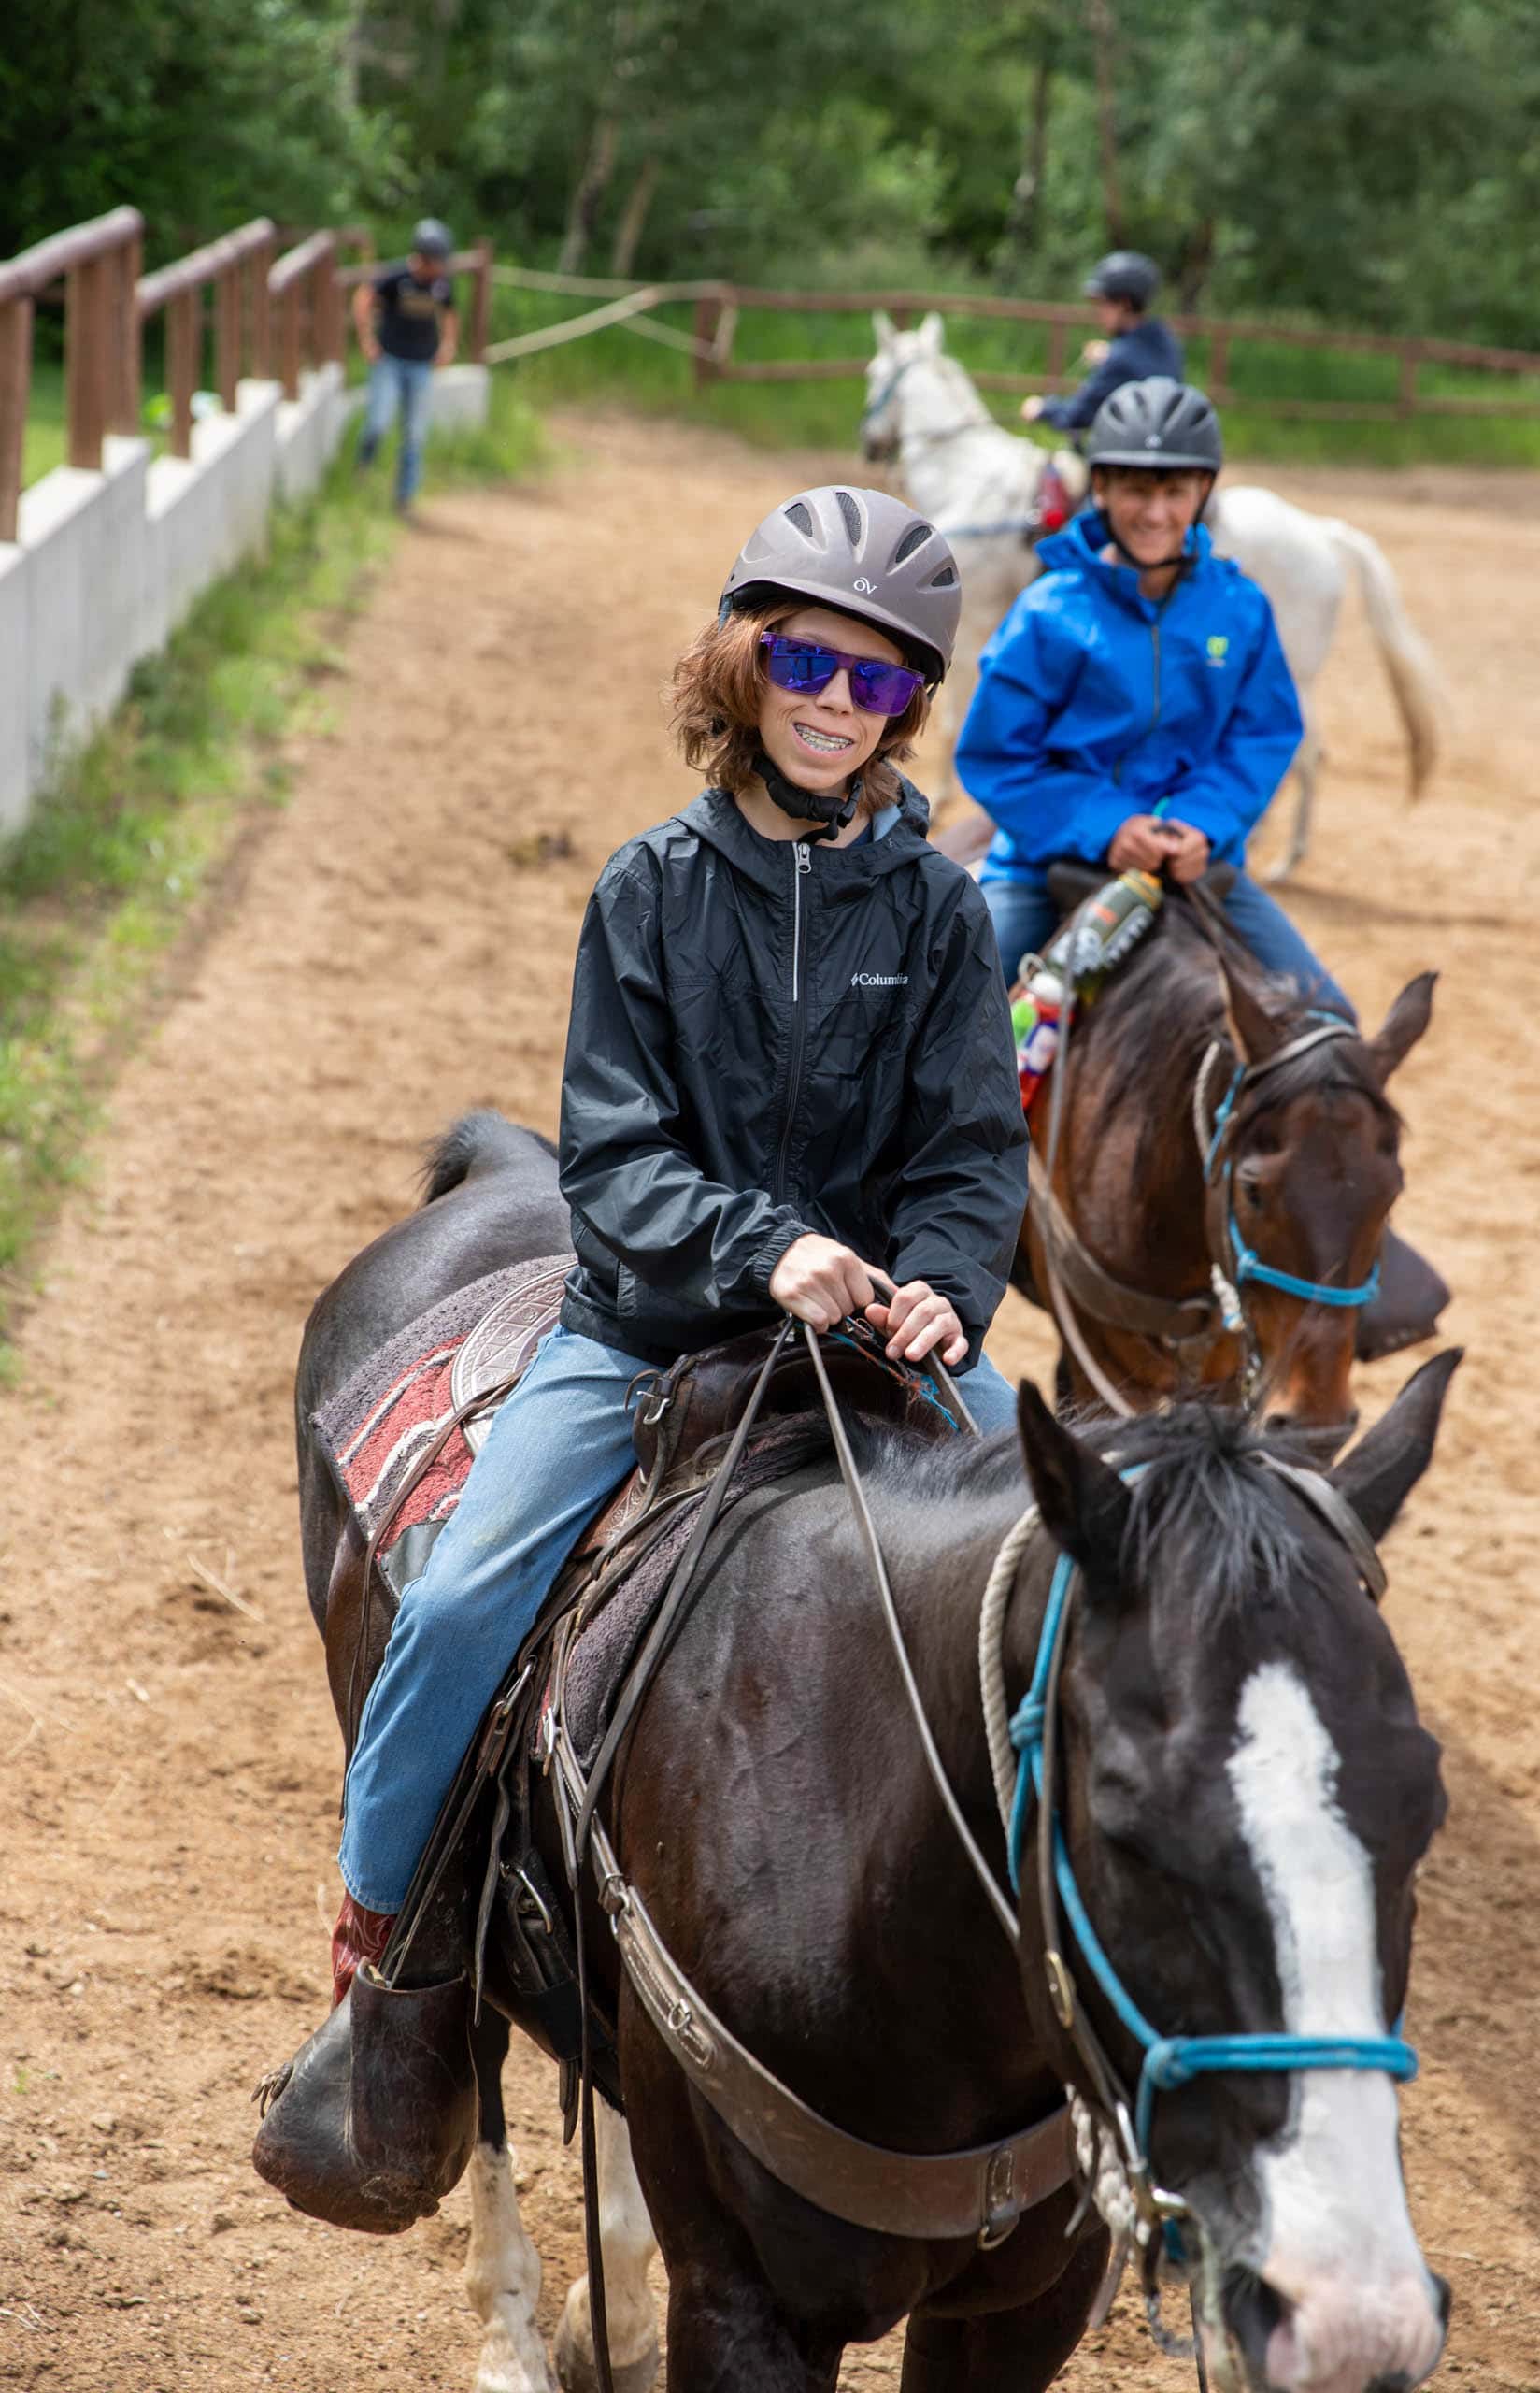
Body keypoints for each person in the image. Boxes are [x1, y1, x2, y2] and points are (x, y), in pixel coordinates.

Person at [330, 485, 1030, 2000]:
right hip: (649, 1321)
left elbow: (972, 1153)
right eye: (807, 665)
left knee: (1081, 1552)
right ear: (743, 663)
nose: (838, 704)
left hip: (872, 1336)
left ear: (911, 704)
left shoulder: (935, 914)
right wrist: (764, 1249)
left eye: (879, 678)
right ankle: (378, 1955)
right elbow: (618, 1156)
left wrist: (944, 1290)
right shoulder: (646, 892)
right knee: (456, 1602)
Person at [957, 375, 1351, 1019]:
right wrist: (1108, 825)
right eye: (1137, 489)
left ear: (1202, 492)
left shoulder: (1241, 610)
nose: (1155, 512)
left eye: (1174, 491)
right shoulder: (1046, 612)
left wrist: (1202, 821)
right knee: (937, 1019)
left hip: (1197, 862)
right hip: (1044, 862)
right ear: (1102, 489)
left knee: (1328, 1022)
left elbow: (1260, 737)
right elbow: (997, 757)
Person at [353, 217, 459, 514]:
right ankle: (363, 468)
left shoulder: (440, 285)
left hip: (422, 365)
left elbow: (451, 314)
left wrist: (448, 345)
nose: (442, 266)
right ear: (426, 257)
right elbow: (363, 297)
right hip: (390, 360)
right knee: (379, 422)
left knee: (415, 435)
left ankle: (404, 498)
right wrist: (367, 340)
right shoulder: (396, 277)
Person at [1019, 251, 1184, 438]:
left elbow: (1077, 415)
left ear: (1124, 304)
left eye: (1102, 304)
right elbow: (1138, 360)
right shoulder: (1165, 340)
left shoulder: (1119, 360)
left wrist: (1043, 408)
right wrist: (1111, 352)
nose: (1098, 312)